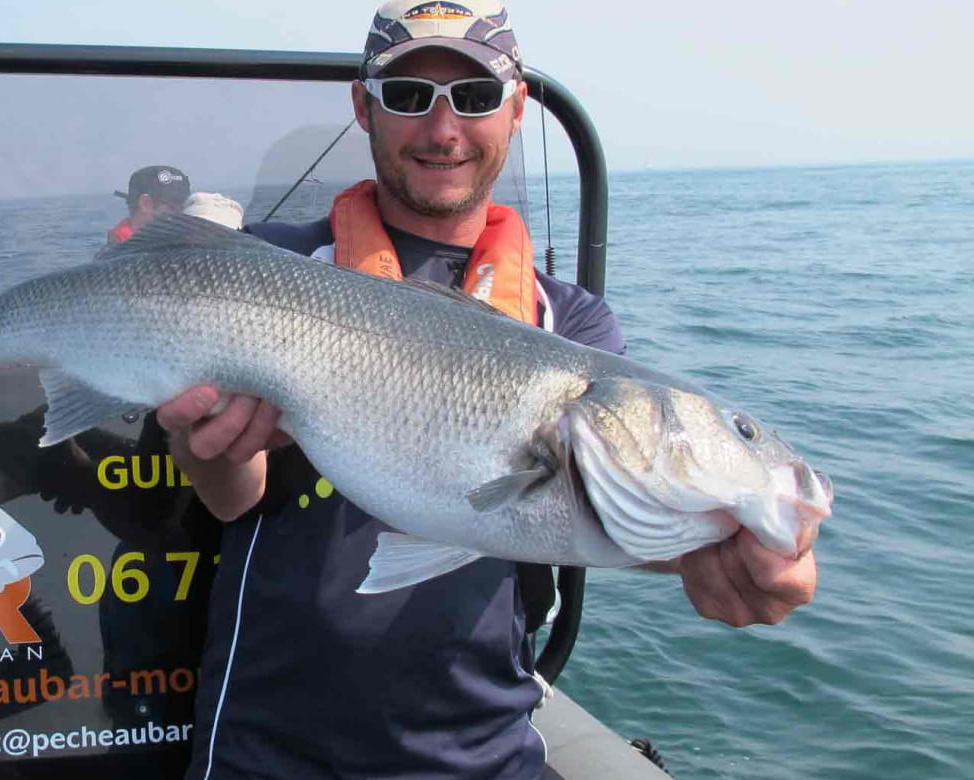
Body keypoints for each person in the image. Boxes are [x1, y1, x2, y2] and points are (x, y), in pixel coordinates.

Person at [152, 2, 820, 777]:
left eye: (472, 98)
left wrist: (713, 548)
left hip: (485, 752)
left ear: (515, 108)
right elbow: (232, 499)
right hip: (266, 746)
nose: (443, 131)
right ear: (362, 107)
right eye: (408, 97)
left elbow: (582, 504)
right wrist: (208, 445)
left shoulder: (570, 324)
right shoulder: (274, 269)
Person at [108, 164, 193, 245]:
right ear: (145, 204)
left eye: (186, 206)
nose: (183, 213)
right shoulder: (119, 253)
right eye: (173, 206)